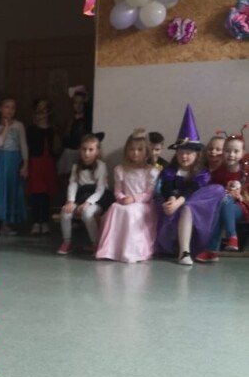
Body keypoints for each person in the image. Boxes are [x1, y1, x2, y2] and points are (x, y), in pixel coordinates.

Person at [155, 106, 226, 266]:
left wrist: (180, 201)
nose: (184, 156)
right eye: (180, 153)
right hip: (173, 204)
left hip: (192, 205)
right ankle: (177, 247)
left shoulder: (202, 172)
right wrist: (171, 199)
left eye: (188, 153)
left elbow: (192, 188)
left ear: (196, 154)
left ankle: (184, 251)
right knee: (167, 204)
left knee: (191, 206)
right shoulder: (171, 170)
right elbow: (166, 186)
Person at [95, 129, 158, 263]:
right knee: (114, 208)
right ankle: (111, 250)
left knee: (130, 212)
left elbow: (149, 193)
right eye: (132, 149)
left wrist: (134, 199)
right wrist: (122, 198)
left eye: (139, 150)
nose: (135, 153)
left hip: (143, 204)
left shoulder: (151, 171)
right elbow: (118, 190)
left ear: (146, 151)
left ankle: (130, 251)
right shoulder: (120, 169)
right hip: (124, 202)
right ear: (127, 151)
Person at [57, 134, 110, 255]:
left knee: (87, 213)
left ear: (97, 152)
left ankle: (96, 243)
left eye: (91, 150)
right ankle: (67, 241)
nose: (86, 153)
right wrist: (70, 201)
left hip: (97, 199)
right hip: (80, 196)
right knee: (65, 212)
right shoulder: (76, 167)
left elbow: (100, 189)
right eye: (84, 149)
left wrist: (88, 203)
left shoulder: (101, 166)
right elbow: (73, 184)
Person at [0, 96, 28, 238]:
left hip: (14, 159)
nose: (10, 110)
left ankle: (5, 224)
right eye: (7, 107)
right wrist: (6, 126)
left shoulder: (19, 125)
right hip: (0, 159)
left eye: (13, 108)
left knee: (10, 190)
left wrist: (25, 164)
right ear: (0, 109)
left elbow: (23, 144)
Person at [209, 129, 248, 251]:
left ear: (242, 153)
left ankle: (217, 246)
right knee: (223, 204)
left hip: (243, 207)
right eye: (227, 151)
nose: (231, 154)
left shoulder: (245, 172)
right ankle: (218, 247)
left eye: (236, 151)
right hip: (224, 205)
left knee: (225, 203)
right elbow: (213, 190)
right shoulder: (219, 173)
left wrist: (242, 197)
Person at [25, 98, 57, 235]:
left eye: (45, 108)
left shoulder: (52, 128)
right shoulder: (31, 129)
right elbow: (27, 147)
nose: (42, 111)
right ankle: (35, 222)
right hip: (35, 162)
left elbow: (55, 147)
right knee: (36, 193)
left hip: (48, 162)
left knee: (45, 193)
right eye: (39, 108)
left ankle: (44, 222)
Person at [58, 85, 93, 176]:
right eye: (75, 103)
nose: (78, 106)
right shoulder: (70, 119)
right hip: (69, 152)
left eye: (81, 103)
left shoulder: (87, 118)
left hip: (80, 152)